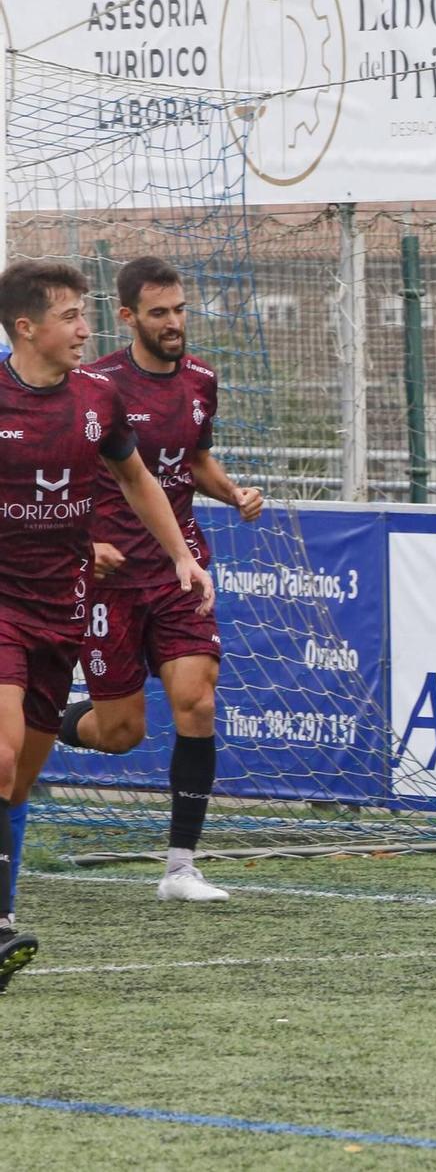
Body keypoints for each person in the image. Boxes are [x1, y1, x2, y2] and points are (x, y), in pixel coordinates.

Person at [0, 260, 215, 990]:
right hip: (5, 605)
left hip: (59, 610)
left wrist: (182, 555)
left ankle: (4, 912)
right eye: (69, 316)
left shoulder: (97, 398)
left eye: (86, 315)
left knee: (21, 781)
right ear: (27, 327)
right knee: (1, 759)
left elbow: (137, 478)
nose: (83, 328)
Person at [55, 257, 263, 904]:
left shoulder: (202, 379)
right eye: (159, 313)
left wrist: (231, 491)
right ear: (127, 317)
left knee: (198, 702)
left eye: (180, 310)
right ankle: (48, 719)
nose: (174, 324)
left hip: (180, 566)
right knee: (122, 734)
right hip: (110, 580)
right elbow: (58, 470)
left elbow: (190, 459)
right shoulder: (94, 385)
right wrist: (86, 541)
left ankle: (180, 867)